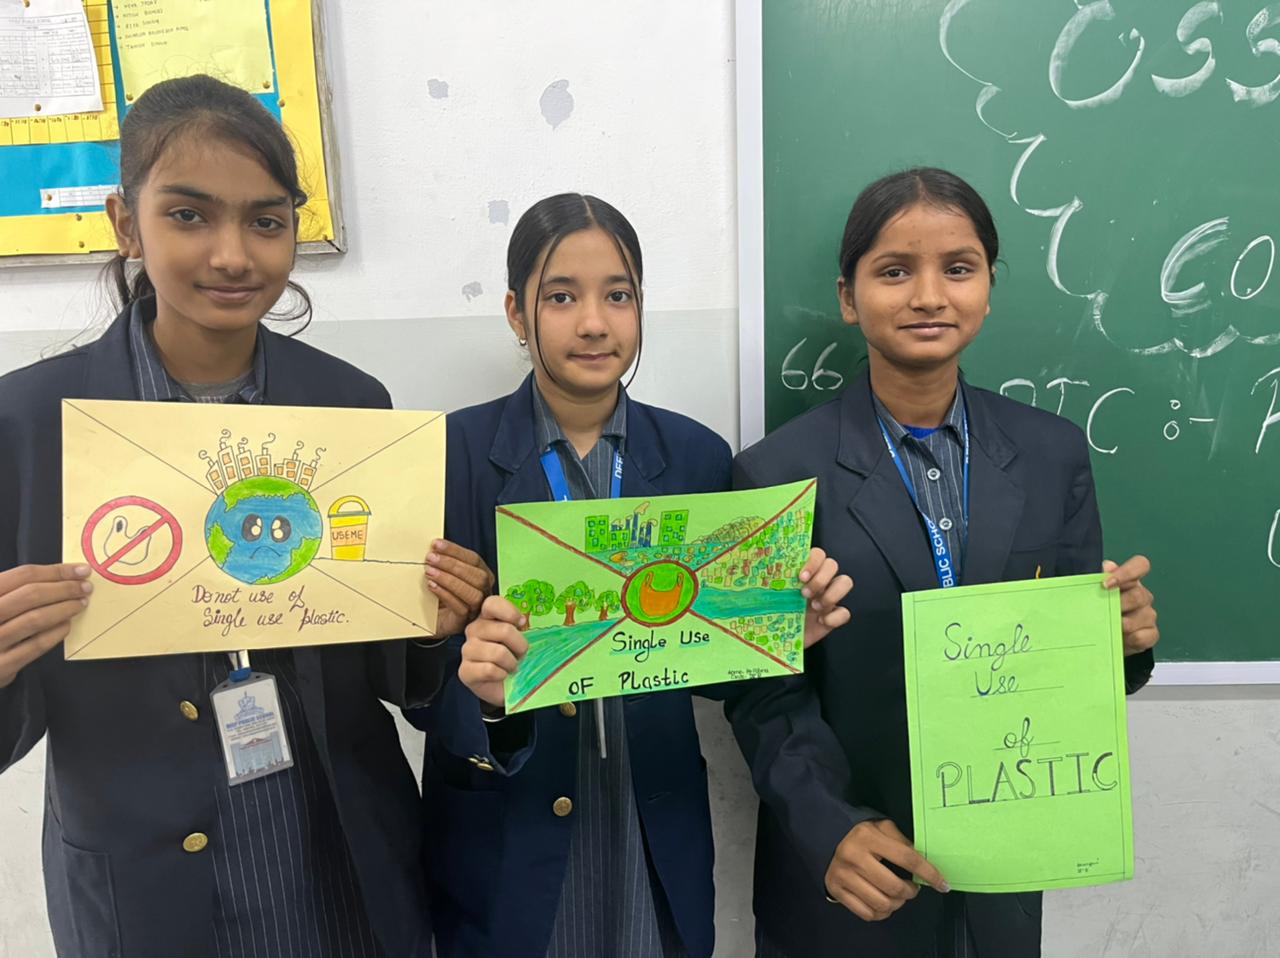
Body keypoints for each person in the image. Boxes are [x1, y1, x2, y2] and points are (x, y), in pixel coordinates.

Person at [0, 75, 490, 957]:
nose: (232, 255)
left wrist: (431, 620)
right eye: (189, 215)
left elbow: (393, 672)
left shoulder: (351, 407)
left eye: (266, 221)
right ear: (125, 224)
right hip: (146, 881)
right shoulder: (33, 423)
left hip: (337, 854)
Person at [408, 193, 853, 958]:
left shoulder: (697, 459)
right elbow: (414, 681)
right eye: (561, 297)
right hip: (509, 840)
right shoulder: (449, 456)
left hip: (652, 828)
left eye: (618, 295)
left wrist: (777, 633)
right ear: (516, 313)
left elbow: (711, 664)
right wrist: (481, 696)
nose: (594, 322)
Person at [734, 167, 1160, 958]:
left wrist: (1121, 645)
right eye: (895, 271)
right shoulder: (775, 475)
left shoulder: (1051, 455)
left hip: (1002, 880)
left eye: (958, 268)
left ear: (989, 288)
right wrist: (831, 829)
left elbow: (1069, 670)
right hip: (852, 881)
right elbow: (761, 693)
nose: (929, 296)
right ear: (849, 297)